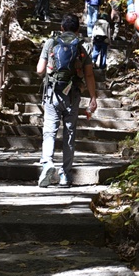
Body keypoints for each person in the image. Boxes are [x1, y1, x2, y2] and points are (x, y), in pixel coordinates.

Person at [35, 15, 97, 187]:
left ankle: (47, 164)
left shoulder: (50, 43)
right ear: (78, 30)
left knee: (49, 131)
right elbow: (89, 74)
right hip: (72, 95)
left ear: (61, 28)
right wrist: (93, 98)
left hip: (52, 93)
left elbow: (40, 70)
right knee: (69, 133)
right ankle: (65, 175)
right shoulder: (81, 47)